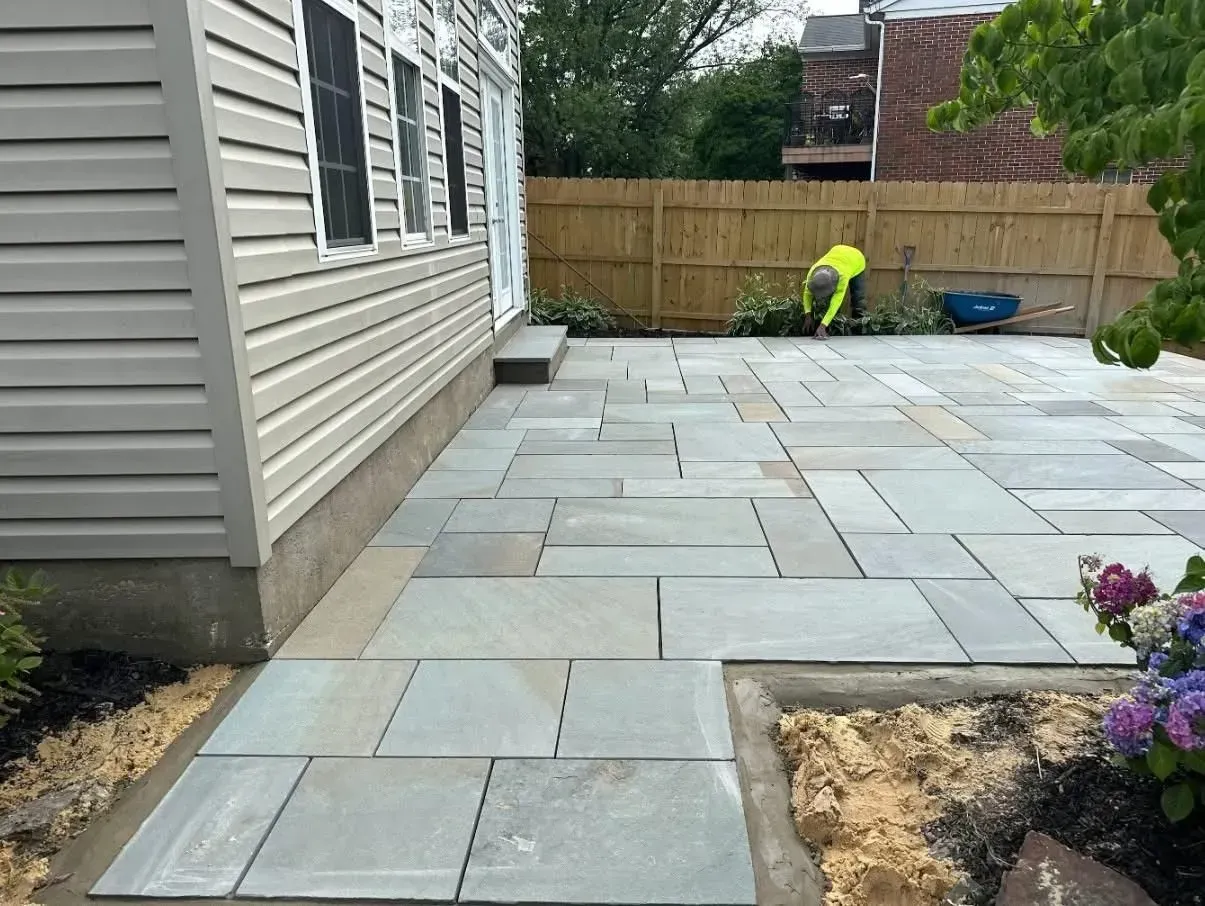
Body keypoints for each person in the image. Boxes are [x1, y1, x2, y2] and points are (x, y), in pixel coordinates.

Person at [801, 244, 868, 339]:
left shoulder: (842, 277)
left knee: (858, 297)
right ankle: (832, 324)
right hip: (837, 250)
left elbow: (836, 302)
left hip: (856, 259)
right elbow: (807, 293)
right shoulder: (813, 272)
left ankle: (859, 328)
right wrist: (808, 314)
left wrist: (823, 325)